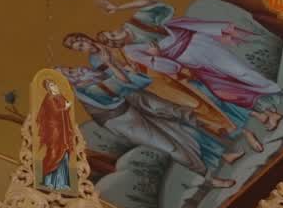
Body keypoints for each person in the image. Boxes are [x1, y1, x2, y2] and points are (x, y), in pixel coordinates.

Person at [99, 0, 283, 134]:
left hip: (198, 43)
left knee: (239, 71)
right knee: (223, 91)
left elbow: (152, 3)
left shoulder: (136, 22)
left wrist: (118, 6)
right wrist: (158, 56)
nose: (114, 39)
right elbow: (163, 67)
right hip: (186, 61)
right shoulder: (131, 50)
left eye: (112, 34)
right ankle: (269, 113)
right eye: (111, 41)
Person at [61, 34, 236, 188]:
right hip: (126, 113)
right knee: (171, 143)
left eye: (69, 69)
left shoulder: (97, 58)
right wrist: (115, 66)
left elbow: (134, 59)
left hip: (140, 91)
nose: (74, 70)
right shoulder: (89, 78)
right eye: (79, 47)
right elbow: (121, 85)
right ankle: (209, 178)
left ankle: (222, 152)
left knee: (182, 117)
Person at [35, 79, 76, 192]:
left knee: (65, 153)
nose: (55, 86)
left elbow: (65, 110)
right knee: (53, 152)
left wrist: (66, 108)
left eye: (55, 84)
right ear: (48, 88)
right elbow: (54, 111)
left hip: (63, 131)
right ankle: (49, 181)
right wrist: (65, 108)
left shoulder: (60, 97)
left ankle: (62, 183)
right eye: (52, 85)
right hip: (53, 130)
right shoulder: (49, 99)